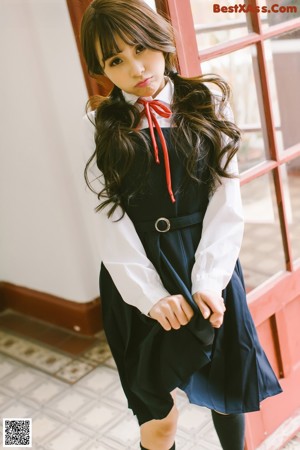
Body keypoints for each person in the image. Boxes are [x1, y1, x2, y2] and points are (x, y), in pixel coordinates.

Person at [80, 1, 282, 449]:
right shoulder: (98, 125)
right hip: (138, 274)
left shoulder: (206, 101)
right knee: (157, 417)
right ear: (101, 70)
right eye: (116, 60)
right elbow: (107, 220)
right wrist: (151, 296)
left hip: (206, 262)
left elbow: (226, 202)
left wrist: (210, 280)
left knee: (227, 397)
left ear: (160, 38)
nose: (136, 67)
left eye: (141, 48)